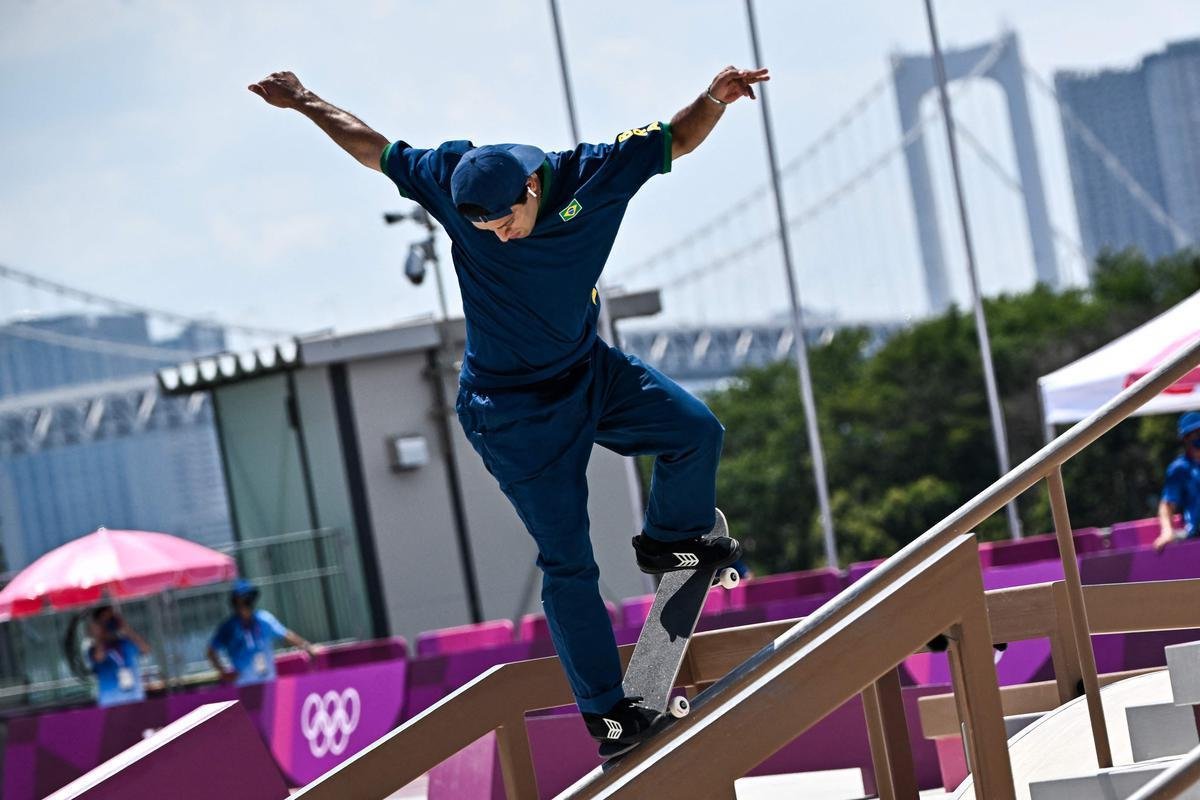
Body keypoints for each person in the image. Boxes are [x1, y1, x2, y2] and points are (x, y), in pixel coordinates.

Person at [248, 63, 766, 754]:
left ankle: (670, 539)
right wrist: (306, 101)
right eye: (483, 230)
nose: (500, 237)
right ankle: (608, 715)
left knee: (695, 430)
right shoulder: (450, 174)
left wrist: (714, 98)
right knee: (568, 561)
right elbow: (376, 149)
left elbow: (676, 137)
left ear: (530, 188)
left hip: (589, 371)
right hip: (512, 413)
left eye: (507, 222)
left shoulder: (594, 173)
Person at [207, 579, 318, 686]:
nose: (246, 604)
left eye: (248, 600)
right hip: (244, 685)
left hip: (268, 682)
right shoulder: (229, 627)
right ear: (235, 602)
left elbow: (286, 634)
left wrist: (307, 647)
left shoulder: (264, 619)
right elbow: (211, 651)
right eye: (242, 600)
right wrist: (223, 673)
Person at [87, 605, 150, 707]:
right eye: (105, 621)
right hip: (111, 704)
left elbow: (146, 649)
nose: (109, 624)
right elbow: (99, 657)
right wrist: (99, 635)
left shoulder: (126, 643)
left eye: (111, 619)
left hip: (135, 699)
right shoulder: (93, 649)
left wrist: (126, 629)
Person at [1154, 412, 1200, 552]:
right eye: (1196, 433)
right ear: (1185, 439)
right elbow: (1167, 504)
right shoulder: (1180, 469)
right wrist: (1167, 531)